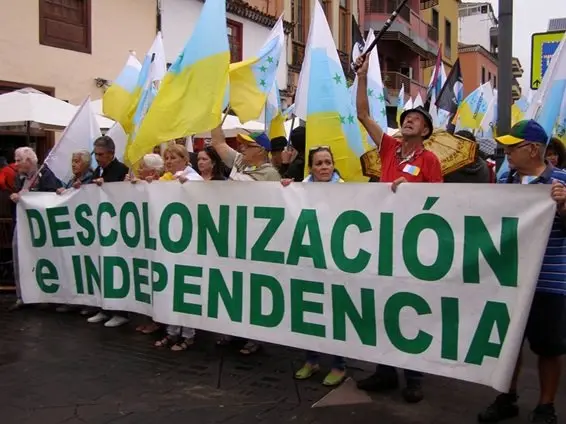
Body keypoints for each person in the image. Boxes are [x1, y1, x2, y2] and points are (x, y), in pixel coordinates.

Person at [355, 55, 442, 403]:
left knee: (409, 308)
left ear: (425, 131)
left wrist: (413, 193)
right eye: (406, 117)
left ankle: (414, 377)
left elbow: (439, 202)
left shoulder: (430, 161)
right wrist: (361, 76)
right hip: (384, 241)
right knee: (383, 307)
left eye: (416, 119)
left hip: (413, 245)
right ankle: (385, 372)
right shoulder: (389, 148)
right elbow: (363, 115)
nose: (409, 120)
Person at [477, 120, 566, 424]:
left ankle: (546, 405)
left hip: (548, 282)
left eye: (512, 147)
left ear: (532, 149)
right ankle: (507, 397)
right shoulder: (505, 184)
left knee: (548, 347)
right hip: (509, 282)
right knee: (508, 344)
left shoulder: (562, 183)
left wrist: (564, 208)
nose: (507, 153)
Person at [211, 126, 279, 355]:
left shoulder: (269, 174)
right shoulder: (242, 163)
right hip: (236, 237)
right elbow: (219, 144)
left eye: (247, 145)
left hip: (256, 240)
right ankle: (234, 329)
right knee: (234, 285)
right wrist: (213, 111)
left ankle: (254, 336)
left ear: (260, 150)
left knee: (252, 290)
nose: (241, 148)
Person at [282, 146, 346, 386]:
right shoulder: (301, 189)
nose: (324, 167)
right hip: (309, 260)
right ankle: (311, 360)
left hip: (335, 263)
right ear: (311, 167)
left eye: (328, 162)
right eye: (318, 163)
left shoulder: (347, 190)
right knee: (309, 310)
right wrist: (287, 189)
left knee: (336, 314)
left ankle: (339, 365)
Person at [152, 143, 199, 351]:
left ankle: (188, 334)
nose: (169, 162)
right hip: (169, 241)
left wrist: (188, 185)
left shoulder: (193, 178)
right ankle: (171, 331)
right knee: (170, 286)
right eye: (167, 158)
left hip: (188, 243)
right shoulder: (164, 180)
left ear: (185, 160)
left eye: (174, 158)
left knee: (185, 287)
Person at [8, 147, 61, 311]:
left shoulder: (45, 175)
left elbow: (54, 195)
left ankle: (48, 296)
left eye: (18, 160)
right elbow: (17, 194)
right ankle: (22, 295)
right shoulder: (19, 178)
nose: (15, 164)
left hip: (42, 227)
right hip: (24, 224)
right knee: (19, 255)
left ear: (29, 161)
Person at [87, 136, 130, 327]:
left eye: (101, 155)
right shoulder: (98, 169)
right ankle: (104, 308)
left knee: (116, 267)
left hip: (116, 226)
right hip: (102, 224)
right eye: (95, 154)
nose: (97, 158)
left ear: (111, 154)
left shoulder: (121, 170)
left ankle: (120, 311)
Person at [211, 127, 281, 183]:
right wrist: (215, 114)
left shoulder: (271, 174)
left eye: (248, 146)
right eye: (243, 144)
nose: (242, 148)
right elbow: (218, 143)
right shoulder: (240, 160)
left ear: (261, 150)